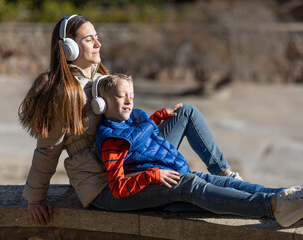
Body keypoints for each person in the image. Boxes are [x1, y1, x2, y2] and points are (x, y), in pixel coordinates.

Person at [17, 14, 246, 226]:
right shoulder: (64, 95)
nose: (98, 44)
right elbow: (47, 150)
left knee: (185, 112)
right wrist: (35, 198)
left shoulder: (102, 80)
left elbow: (126, 124)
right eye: (89, 39)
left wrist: (156, 118)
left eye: (97, 38)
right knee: (188, 187)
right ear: (69, 48)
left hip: (132, 158)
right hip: (108, 181)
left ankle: (224, 173)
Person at [91, 73, 303, 227]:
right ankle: (275, 204)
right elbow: (118, 188)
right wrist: (153, 176)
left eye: (131, 95)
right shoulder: (113, 142)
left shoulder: (133, 117)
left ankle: (300, 198)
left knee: (218, 181)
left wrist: (160, 115)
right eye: (120, 96)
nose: (128, 101)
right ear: (102, 105)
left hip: (166, 169)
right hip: (153, 183)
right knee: (195, 184)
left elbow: (141, 128)